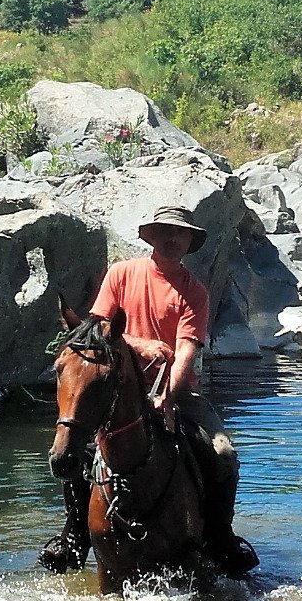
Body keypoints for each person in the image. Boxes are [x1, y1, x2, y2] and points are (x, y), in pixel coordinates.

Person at [40, 204, 261, 577]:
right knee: (76, 447)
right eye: (164, 232)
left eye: (179, 233)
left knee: (223, 453)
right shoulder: (122, 273)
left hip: (176, 389)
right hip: (114, 387)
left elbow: (187, 348)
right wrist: (140, 345)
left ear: (190, 240)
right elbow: (95, 329)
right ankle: (74, 536)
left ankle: (222, 537)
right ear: (151, 237)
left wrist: (168, 396)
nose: (172, 239)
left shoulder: (195, 291)